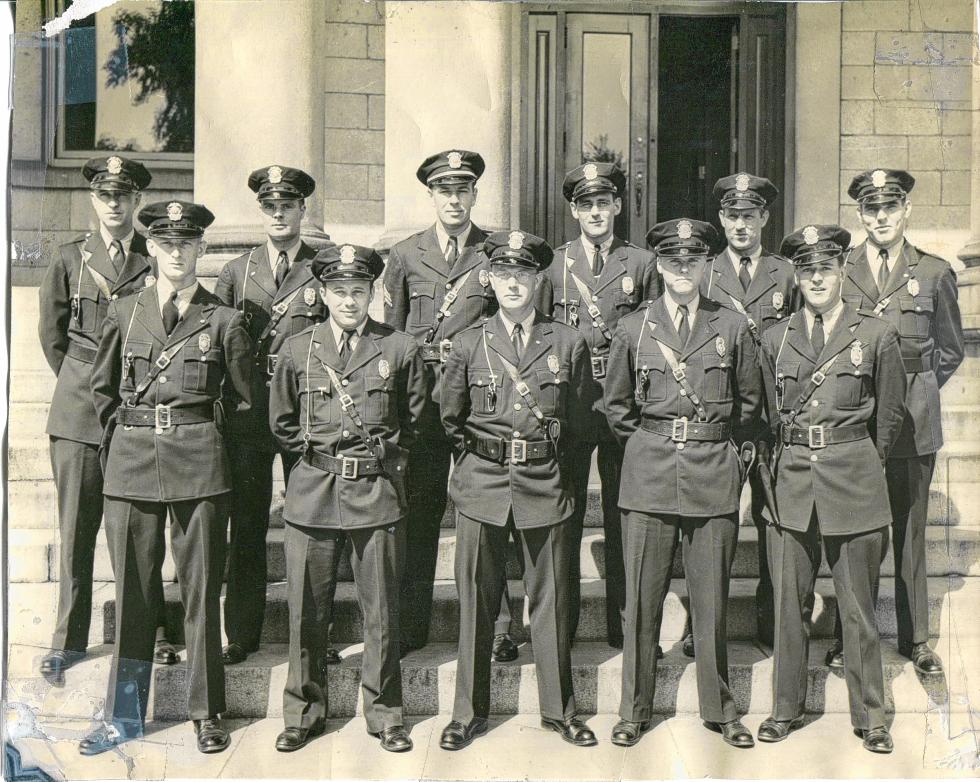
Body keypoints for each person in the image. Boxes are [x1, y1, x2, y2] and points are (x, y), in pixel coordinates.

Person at [82, 200, 252, 755]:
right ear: (150, 249)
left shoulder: (223, 320)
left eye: (188, 244)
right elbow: (102, 392)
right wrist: (128, 439)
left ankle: (208, 711)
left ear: (201, 250)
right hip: (131, 466)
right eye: (166, 244)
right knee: (133, 593)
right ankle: (124, 715)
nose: (177, 252)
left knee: (202, 592)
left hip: (200, 465)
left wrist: (208, 445)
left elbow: (244, 404)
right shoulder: (124, 311)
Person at [604, 218, 762, 749]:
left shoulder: (732, 327)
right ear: (660, 266)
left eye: (692, 260)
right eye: (672, 261)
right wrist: (650, 446)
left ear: (707, 265)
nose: (682, 269)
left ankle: (719, 709)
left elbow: (749, 407)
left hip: (713, 473)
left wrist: (730, 464)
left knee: (711, 602)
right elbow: (618, 407)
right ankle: (633, 710)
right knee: (642, 600)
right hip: (648, 475)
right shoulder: (634, 328)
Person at [438, 230, 596, 750]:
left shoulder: (567, 342)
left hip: (544, 482)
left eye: (523, 274)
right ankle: (467, 712)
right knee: (476, 603)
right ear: (489, 278)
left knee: (550, 602)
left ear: (537, 280)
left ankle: (560, 709)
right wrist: (481, 464)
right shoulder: (467, 342)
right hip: (481, 485)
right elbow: (451, 418)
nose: (513, 283)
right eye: (503, 274)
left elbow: (577, 423)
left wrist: (555, 473)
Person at [756, 224, 907, 754]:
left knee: (859, 607)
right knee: (788, 605)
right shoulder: (775, 338)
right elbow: (768, 414)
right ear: (796, 276)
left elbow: (888, 415)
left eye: (825, 268)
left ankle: (872, 715)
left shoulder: (876, 333)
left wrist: (860, 459)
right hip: (792, 481)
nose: (816, 279)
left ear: (842, 270)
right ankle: (784, 708)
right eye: (806, 270)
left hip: (854, 479)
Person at [269, 244, 425, 753]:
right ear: (321, 293)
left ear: (373, 293)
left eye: (359, 290)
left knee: (381, 610)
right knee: (306, 612)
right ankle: (303, 710)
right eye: (339, 291)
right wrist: (321, 463)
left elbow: (416, 422)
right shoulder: (297, 349)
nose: (350, 301)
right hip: (313, 494)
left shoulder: (398, 348)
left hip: (375, 494)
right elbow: (283, 424)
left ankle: (385, 714)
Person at [37, 155, 176, 685]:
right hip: (77, 415)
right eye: (105, 195)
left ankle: (150, 632)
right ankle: (67, 641)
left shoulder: (154, 257)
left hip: (133, 413)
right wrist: (82, 381)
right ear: (93, 200)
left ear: (138, 201)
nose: (115, 204)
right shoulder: (71, 258)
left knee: (138, 533)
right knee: (76, 530)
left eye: (124, 195)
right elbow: (53, 337)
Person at [824, 169, 964, 675]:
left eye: (889, 208)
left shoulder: (933, 273)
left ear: (906, 212)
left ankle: (916, 639)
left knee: (910, 534)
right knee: (854, 535)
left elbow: (949, 350)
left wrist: (913, 390)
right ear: (859, 215)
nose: (880, 218)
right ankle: (846, 635)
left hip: (911, 422)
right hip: (857, 422)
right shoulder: (842, 270)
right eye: (870, 209)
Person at [383, 150, 518, 661]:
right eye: (445, 190)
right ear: (432, 196)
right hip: (420, 402)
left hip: (480, 403)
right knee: (417, 514)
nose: (454, 199)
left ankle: (499, 627)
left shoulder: (495, 252)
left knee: (487, 513)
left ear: (475, 195)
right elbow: (393, 341)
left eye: (463, 190)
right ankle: (410, 624)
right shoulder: (404, 255)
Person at [536, 162, 660, 649]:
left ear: (618, 207)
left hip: (622, 409)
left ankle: (623, 626)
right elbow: (544, 335)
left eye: (604, 203)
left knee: (623, 517)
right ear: (573, 211)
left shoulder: (642, 264)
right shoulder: (554, 265)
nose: (595, 212)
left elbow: (652, 339)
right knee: (561, 517)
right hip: (569, 409)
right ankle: (559, 626)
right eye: (586, 204)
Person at [214, 165, 334, 667]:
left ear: (303, 210)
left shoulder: (325, 268)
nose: (279, 213)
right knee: (246, 526)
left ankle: (314, 637)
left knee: (311, 526)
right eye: (270, 206)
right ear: (260, 212)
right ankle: (242, 633)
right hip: (248, 415)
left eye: (288, 205)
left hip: (306, 413)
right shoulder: (236, 273)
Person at [689, 171, 799, 655]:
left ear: (764, 219)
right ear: (721, 219)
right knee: (712, 526)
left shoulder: (787, 273)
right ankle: (701, 625)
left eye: (749, 216)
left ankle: (771, 618)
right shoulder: (703, 271)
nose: (740, 225)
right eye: (732, 216)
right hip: (722, 420)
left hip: (775, 419)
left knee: (776, 521)